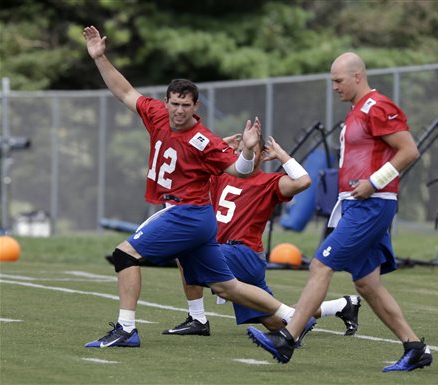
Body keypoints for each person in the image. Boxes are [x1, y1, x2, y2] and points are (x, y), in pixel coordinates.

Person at [82, 25, 313, 348]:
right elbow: (124, 92)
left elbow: (241, 171)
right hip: (194, 217)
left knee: (125, 255)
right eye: (174, 103)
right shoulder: (157, 114)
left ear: (196, 107)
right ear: (167, 101)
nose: (178, 111)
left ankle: (126, 329)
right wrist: (100, 57)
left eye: (185, 105)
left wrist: (247, 149)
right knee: (227, 287)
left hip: (188, 213)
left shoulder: (204, 140)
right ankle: (296, 316)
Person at [247, 52, 433, 372]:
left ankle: (287, 338)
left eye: (338, 80)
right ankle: (415, 348)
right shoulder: (357, 111)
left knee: (320, 265)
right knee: (366, 284)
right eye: (331, 81)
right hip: (356, 204)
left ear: (357, 76)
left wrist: (374, 183)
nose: (333, 87)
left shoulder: (377, 107)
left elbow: (409, 150)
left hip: (371, 205)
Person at [162, 135, 361, 338]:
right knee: (276, 322)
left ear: (262, 155)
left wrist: (281, 155)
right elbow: (191, 165)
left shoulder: (269, 182)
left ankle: (198, 319)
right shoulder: (222, 174)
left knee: (189, 247)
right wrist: (219, 145)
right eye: (240, 151)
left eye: (251, 151)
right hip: (230, 253)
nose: (244, 155)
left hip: (243, 254)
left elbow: (303, 181)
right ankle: (341, 306)